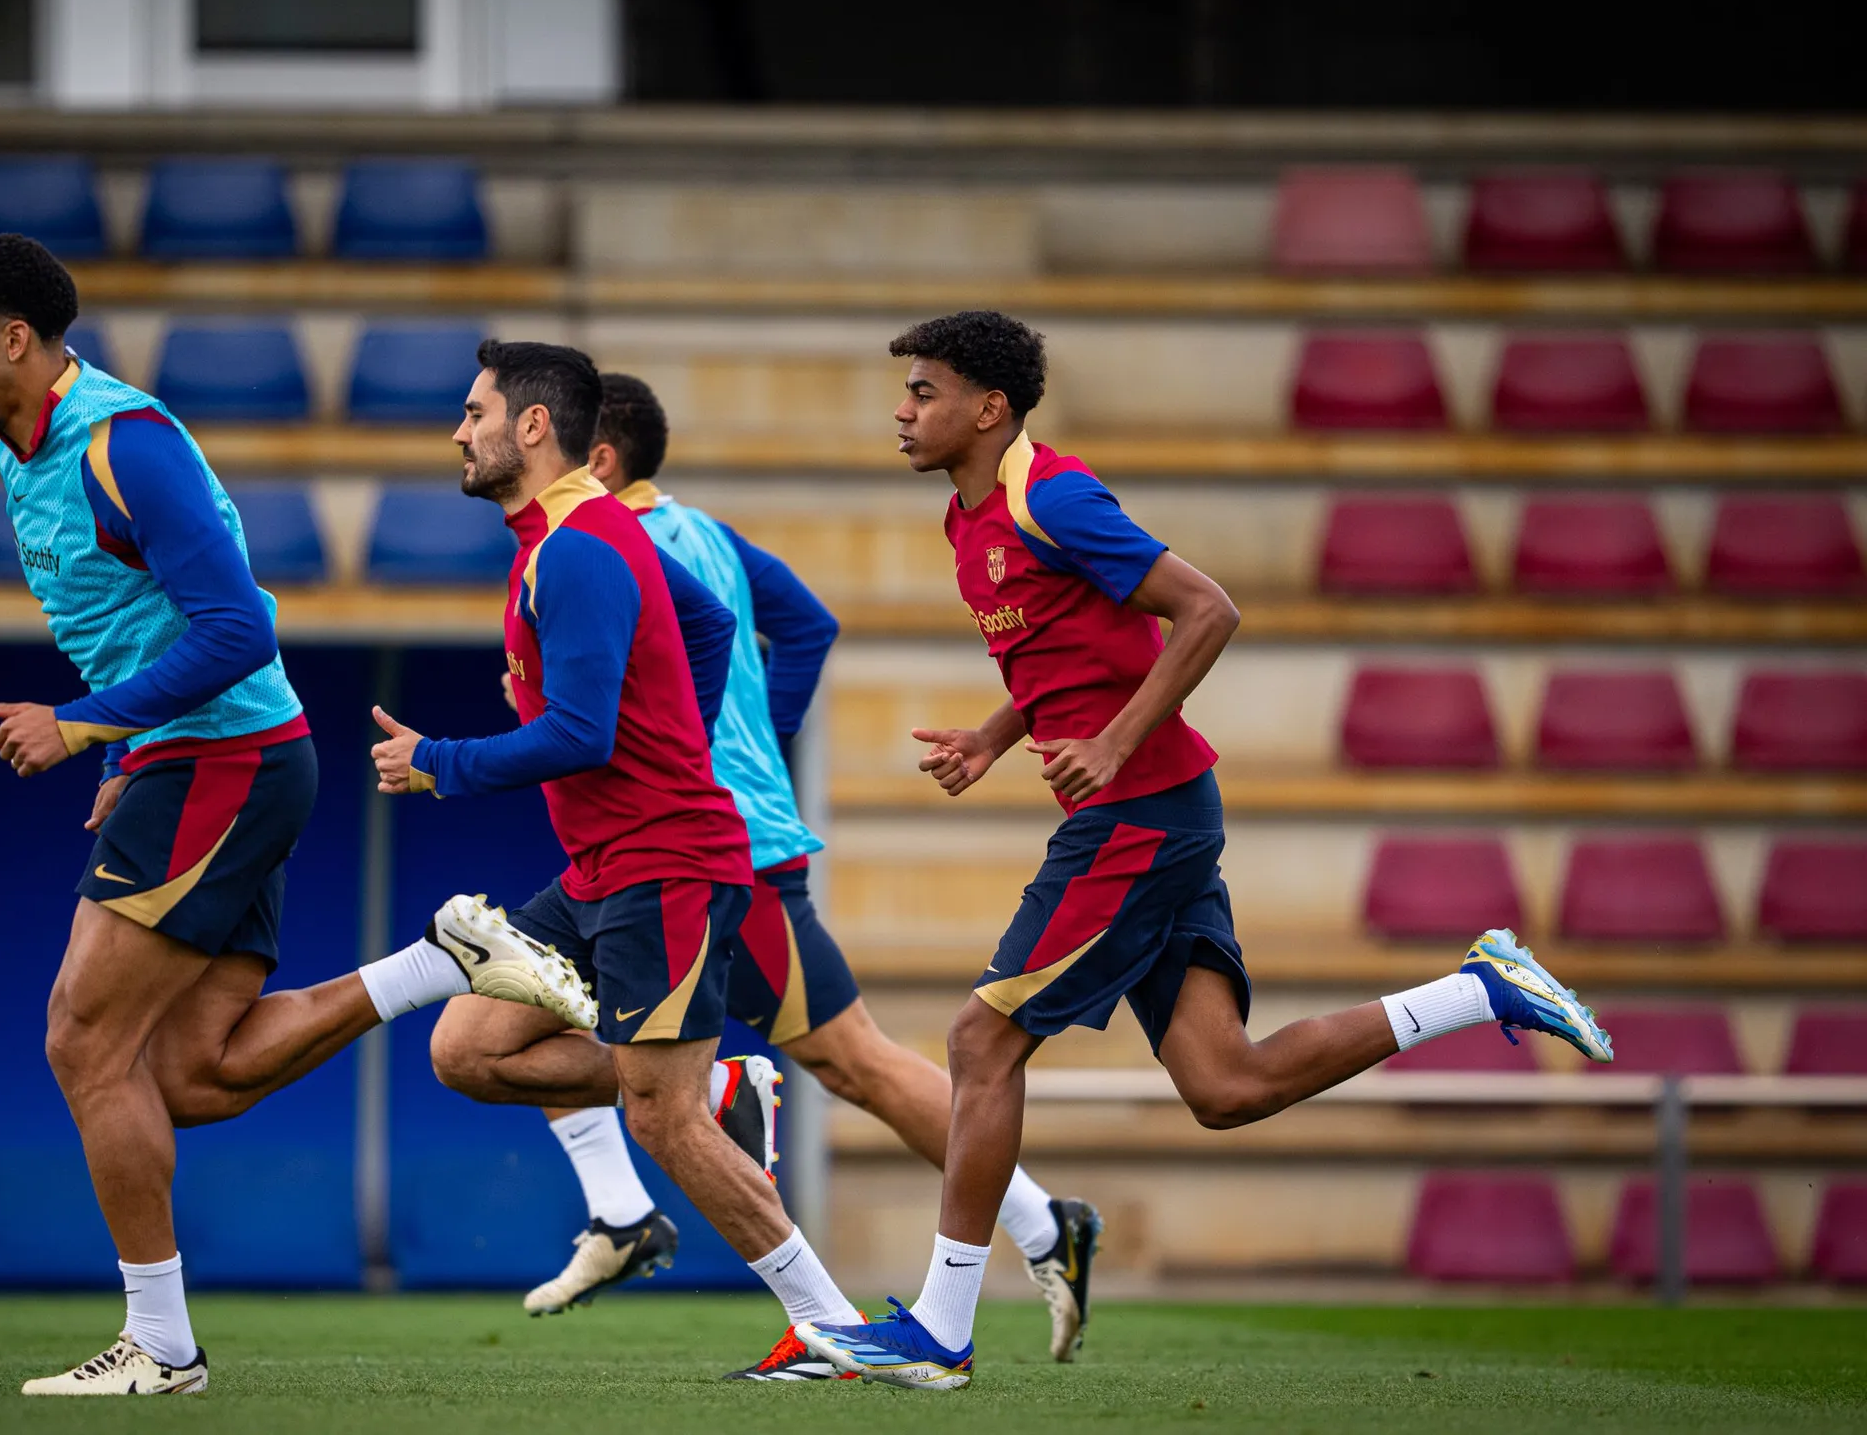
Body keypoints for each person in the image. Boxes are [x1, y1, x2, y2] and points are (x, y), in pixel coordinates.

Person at [797, 311, 1616, 1391]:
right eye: (905, 393)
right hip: (1160, 813)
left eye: (924, 393)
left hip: (1140, 818)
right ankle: (1478, 991)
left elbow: (1207, 611)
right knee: (1225, 1087)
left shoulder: (1054, 495)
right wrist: (996, 738)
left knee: (978, 1044)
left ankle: (944, 1330)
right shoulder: (971, 517)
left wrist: (1115, 741)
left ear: (988, 409)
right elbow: (1063, 649)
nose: (902, 412)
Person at [0, 235, 592, 1397]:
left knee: (83, 1042)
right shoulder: (23, 445)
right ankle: (441, 961)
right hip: (195, 760)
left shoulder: (123, 444)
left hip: (224, 762)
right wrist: (131, 741)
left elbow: (239, 629)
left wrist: (88, 725)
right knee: (191, 1077)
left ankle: (163, 1349)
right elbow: (149, 623)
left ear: (15, 342)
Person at [437, 371, 1103, 1375]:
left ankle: (1024, 1229)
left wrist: (694, 750)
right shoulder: (701, 532)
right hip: (700, 833)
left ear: (592, 456)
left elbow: (604, 713)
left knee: (849, 1061)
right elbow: (809, 626)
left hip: (712, 845)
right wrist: (756, 732)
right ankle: (653, 1185)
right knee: (526, 1028)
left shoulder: (601, 546)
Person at [370, 340, 869, 1380]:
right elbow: (711, 620)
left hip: (669, 863)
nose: (459, 433)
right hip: (602, 868)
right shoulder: (574, 534)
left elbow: (583, 736)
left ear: (534, 426)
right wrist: (671, 719)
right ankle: (715, 1079)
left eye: (474, 414)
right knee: (466, 1049)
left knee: (659, 1118)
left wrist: (438, 763)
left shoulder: (581, 548)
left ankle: (832, 1330)